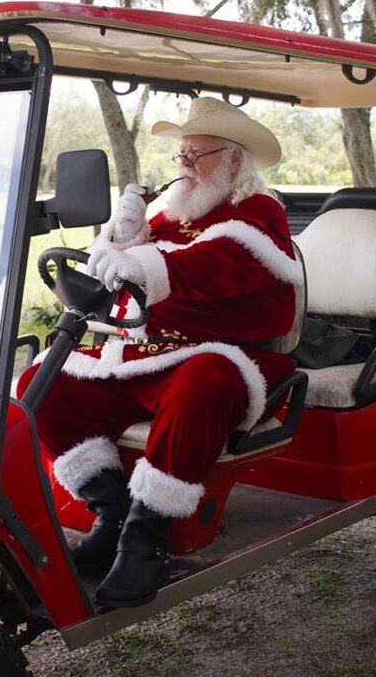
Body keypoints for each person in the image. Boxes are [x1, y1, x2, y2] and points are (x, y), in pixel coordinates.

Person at [17, 96, 302, 608]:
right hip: (151, 351)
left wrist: (140, 260)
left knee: (204, 380)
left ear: (233, 160)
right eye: (181, 154)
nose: (184, 163)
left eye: (198, 153)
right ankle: (114, 514)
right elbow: (133, 276)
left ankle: (146, 540)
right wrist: (119, 240)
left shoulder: (258, 214)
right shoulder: (173, 215)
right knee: (44, 382)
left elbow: (212, 265)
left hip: (232, 356)